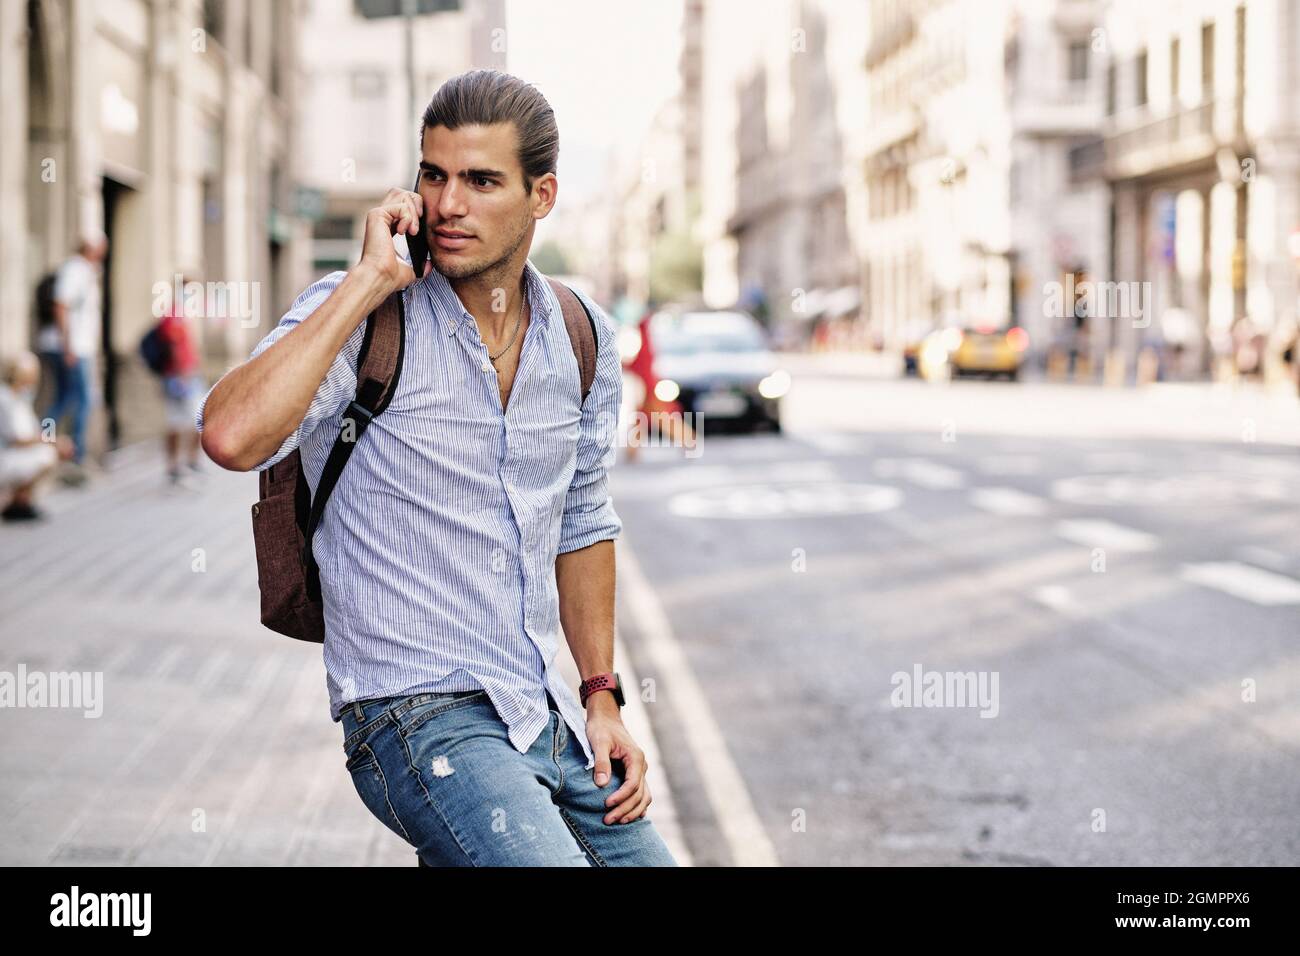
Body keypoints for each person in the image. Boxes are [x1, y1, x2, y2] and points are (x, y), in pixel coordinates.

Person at [197, 70, 676, 867]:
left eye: (482, 180)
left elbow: (584, 521)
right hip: (410, 715)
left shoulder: (580, 333)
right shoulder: (361, 315)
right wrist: (362, 285)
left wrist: (602, 699)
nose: (449, 204)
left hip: (538, 712)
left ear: (541, 195)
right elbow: (230, 436)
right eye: (434, 174)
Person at [40, 231, 107, 482]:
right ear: (91, 248)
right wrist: (68, 346)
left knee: (64, 397)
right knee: (80, 399)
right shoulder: (76, 270)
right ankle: (74, 454)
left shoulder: (85, 271)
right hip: (71, 348)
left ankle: (47, 444)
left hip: (74, 346)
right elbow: (61, 305)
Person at [0, 351, 74, 521]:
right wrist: (52, 442)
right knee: (47, 455)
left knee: (49, 452)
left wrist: (52, 439)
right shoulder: (6, 400)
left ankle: (21, 502)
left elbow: (32, 432)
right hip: (6, 457)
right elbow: (17, 439)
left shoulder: (21, 399)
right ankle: (18, 501)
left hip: (14, 453)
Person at [157, 276, 205, 488]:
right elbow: (174, 346)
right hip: (180, 376)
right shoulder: (176, 313)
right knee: (187, 419)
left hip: (184, 373)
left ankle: (184, 464)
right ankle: (178, 465)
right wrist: (183, 373)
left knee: (182, 420)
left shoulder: (182, 313)